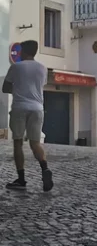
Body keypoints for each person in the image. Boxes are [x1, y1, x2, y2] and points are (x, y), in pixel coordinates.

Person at [3, 41, 54, 193]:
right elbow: (39, 85)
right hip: (38, 108)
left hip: (20, 107)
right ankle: (45, 168)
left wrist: (18, 88)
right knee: (35, 143)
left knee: (18, 143)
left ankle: (21, 179)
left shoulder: (16, 67)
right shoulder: (42, 68)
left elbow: (5, 87)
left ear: (23, 51)